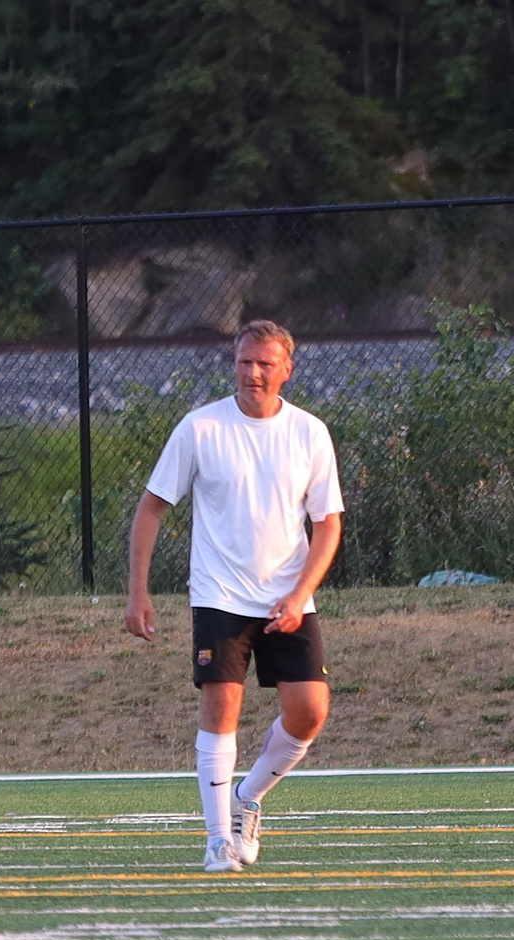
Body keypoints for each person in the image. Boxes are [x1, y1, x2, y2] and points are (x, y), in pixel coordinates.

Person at [125, 320, 342, 874]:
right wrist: (137, 592)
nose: (253, 373)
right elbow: (151, 507)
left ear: (287, 369)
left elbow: (328, 525)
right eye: (245, 362)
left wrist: (300, 593)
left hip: (288, 599)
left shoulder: (309, 433)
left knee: (310, 711)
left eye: (265, 364)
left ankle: (248, 797)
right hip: (219, 595)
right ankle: (219, 840)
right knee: (222, 704)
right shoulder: (200, 427)